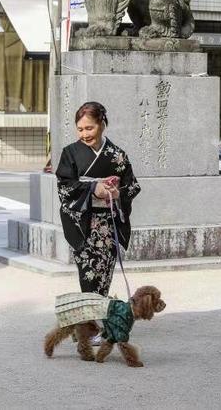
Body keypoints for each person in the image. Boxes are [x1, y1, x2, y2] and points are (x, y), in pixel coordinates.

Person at [56, 101, 141, 299]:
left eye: (89, 128)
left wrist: (117, 193)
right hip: (84, 224)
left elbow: (133, 186)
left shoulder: (117, 155)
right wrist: (94, 188)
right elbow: (64, 186)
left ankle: (98, 318)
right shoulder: (70, 153)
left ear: (101, 124)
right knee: (89, 275)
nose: (84, 134)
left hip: (108, 226)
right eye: (80, 129)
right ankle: (91, 320)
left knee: (104, 277)